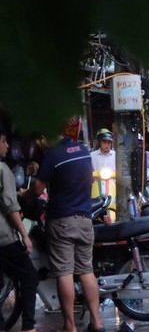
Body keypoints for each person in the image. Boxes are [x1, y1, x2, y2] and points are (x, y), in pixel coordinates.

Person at [28, 121, 105, 332]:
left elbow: (36, 189)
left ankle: (69, 326)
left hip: (62, 221)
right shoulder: (83, 151)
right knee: (86, 270)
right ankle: (97, 322)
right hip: (85, 220)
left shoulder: (52, 155)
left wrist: (26, 192)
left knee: (64, 272)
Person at [0, 130, 38, 332]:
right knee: (29, 276)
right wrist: (24, 235)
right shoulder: (2, 169)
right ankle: (29, 327)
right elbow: (10, 206)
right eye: (4, 141)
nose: (7, 146)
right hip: (4, 238)